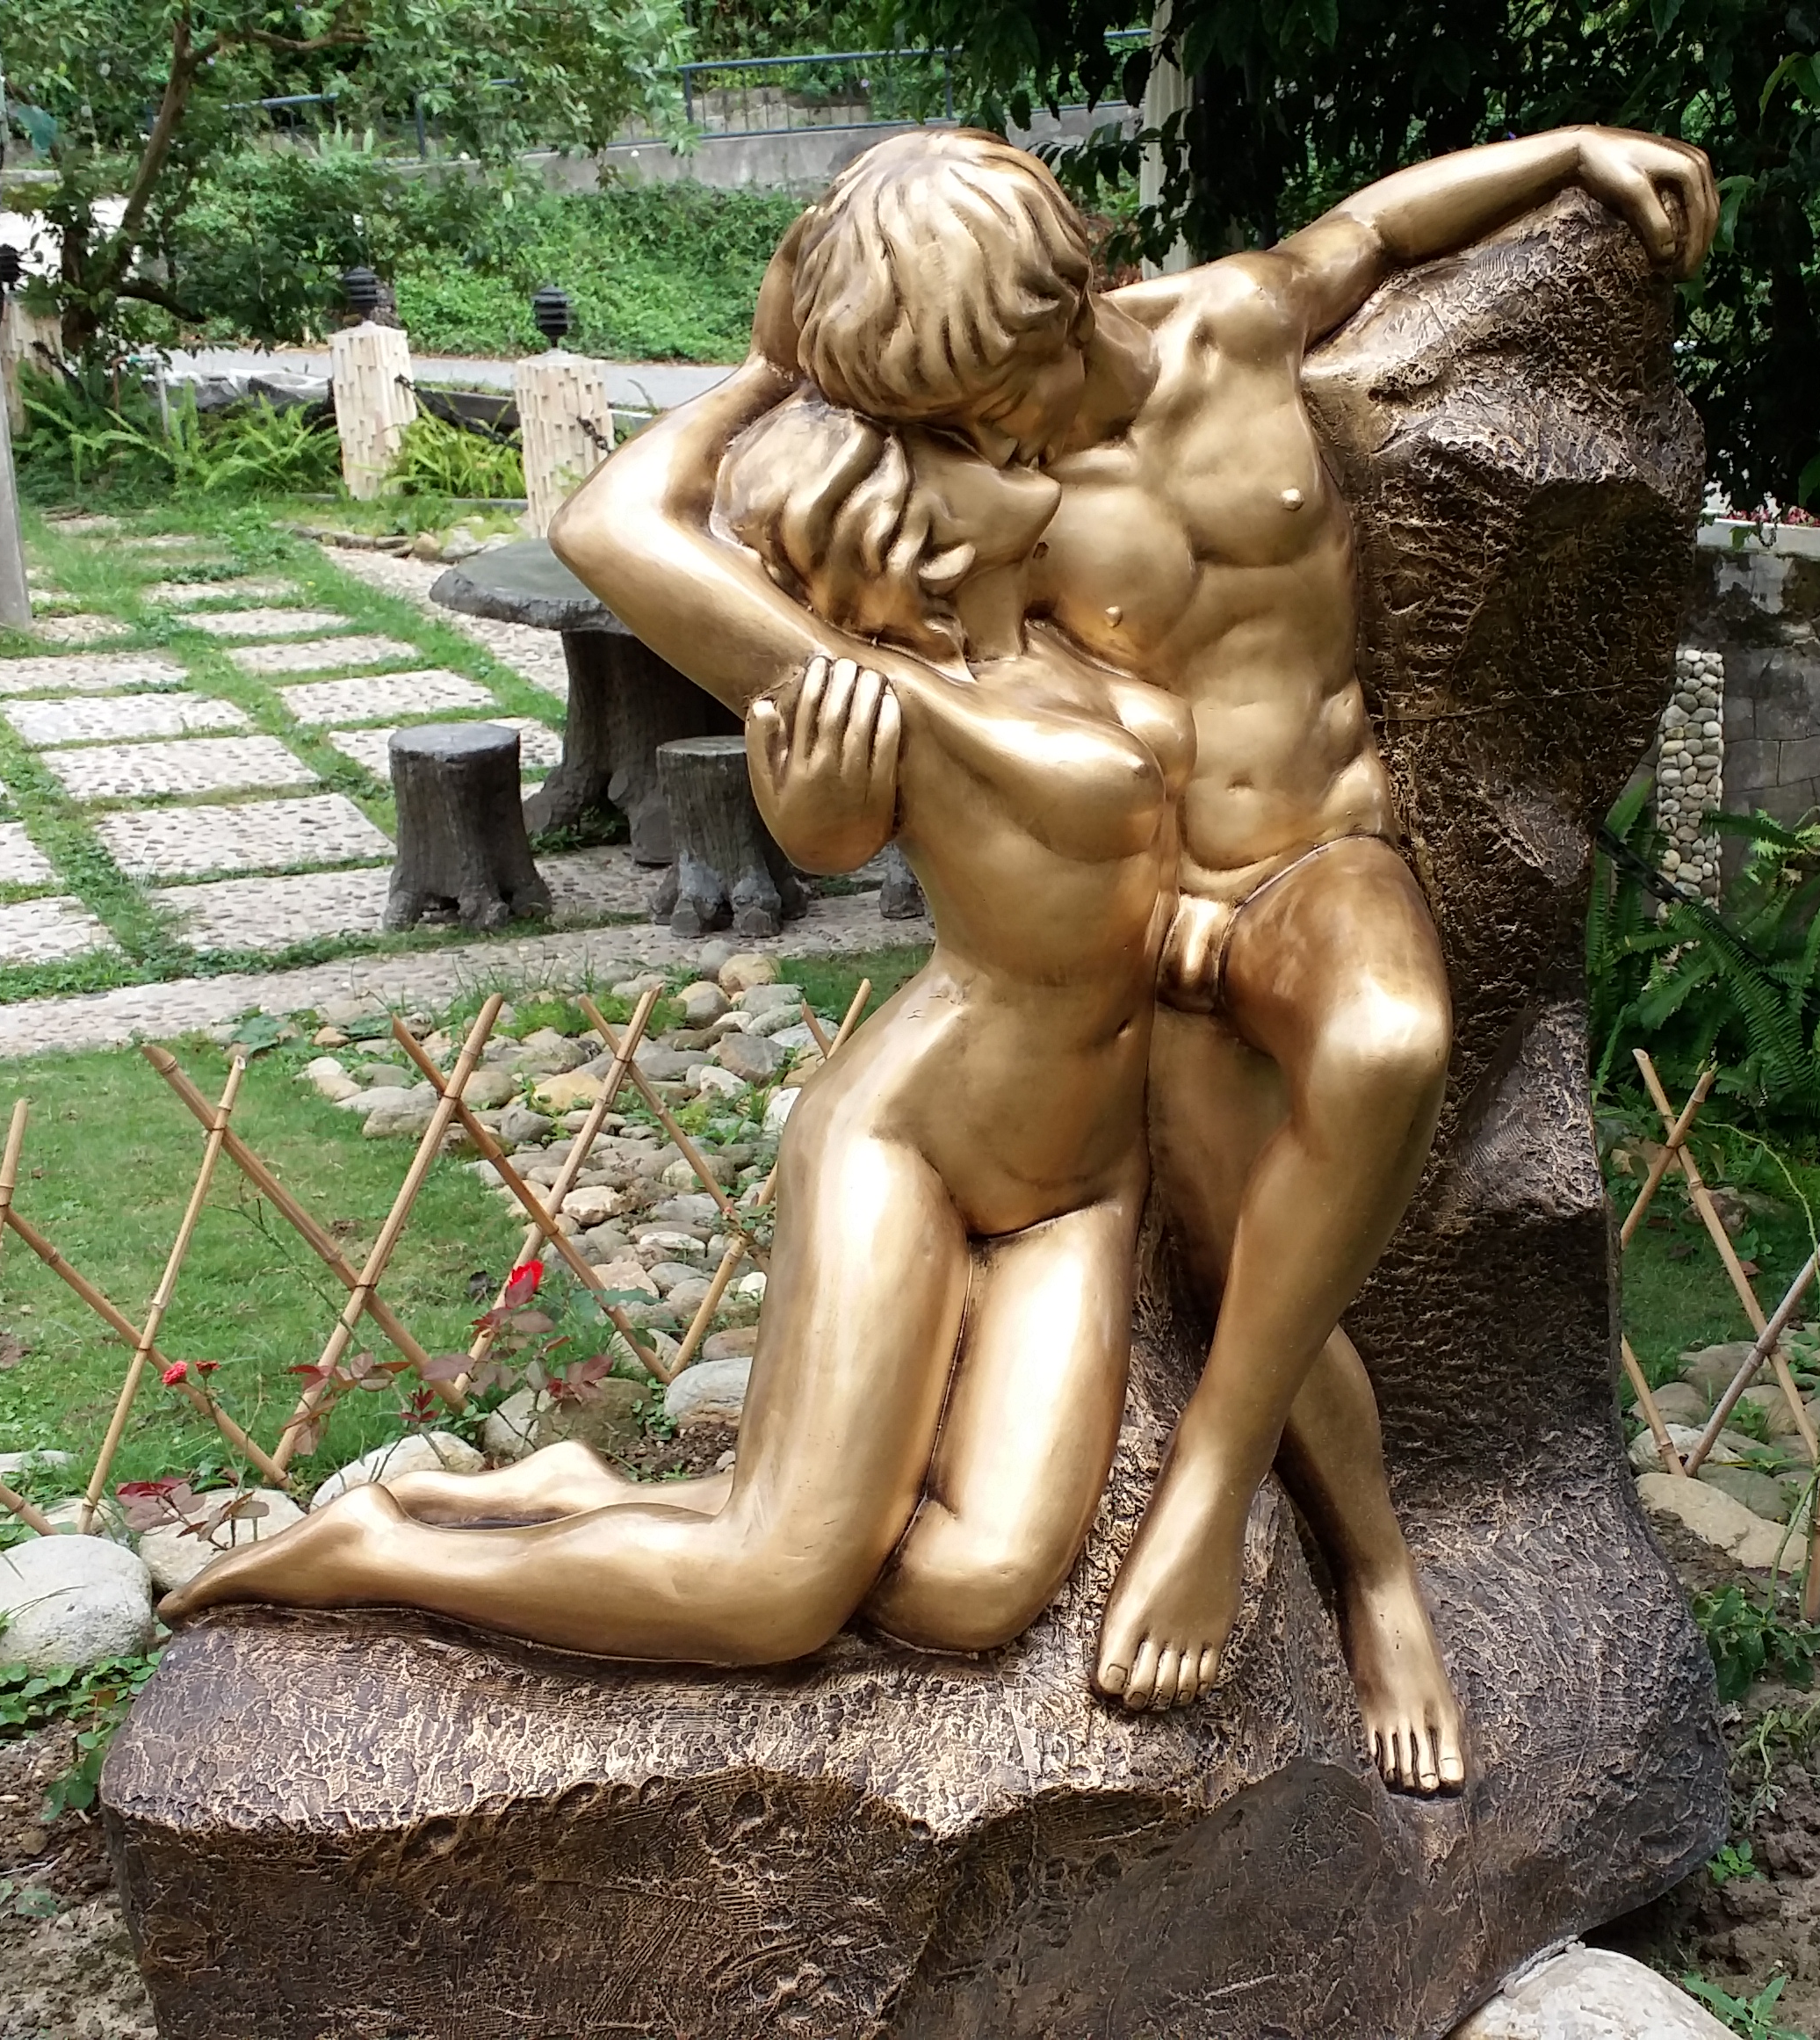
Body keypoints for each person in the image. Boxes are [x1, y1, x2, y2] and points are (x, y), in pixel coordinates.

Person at [560, 125, 1715, 1748]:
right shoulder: (961, 485)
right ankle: (1376, 1571)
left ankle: (1213, 1496)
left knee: (1391, 1038)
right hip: (1141, 930)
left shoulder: (1233, 324)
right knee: (1246, 1238)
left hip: (1321, 853)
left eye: (998, 389)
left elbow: (1370, 229)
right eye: (945, 416)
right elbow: (844, 720)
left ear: (1068, 298)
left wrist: (1569, 150)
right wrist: (813, 790)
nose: (984, 434)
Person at [167, 405, 1199, 1688]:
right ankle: (387, 1551)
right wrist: (771, 366)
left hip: (1081, 1182)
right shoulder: (870, 689)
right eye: (964, 446)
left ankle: (589, 1495)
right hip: (916, 1146)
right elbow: (607, 525)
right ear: (917, 534)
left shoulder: (1066, 640)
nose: (1012, 438)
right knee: (778, 1595)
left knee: (970, 1588)